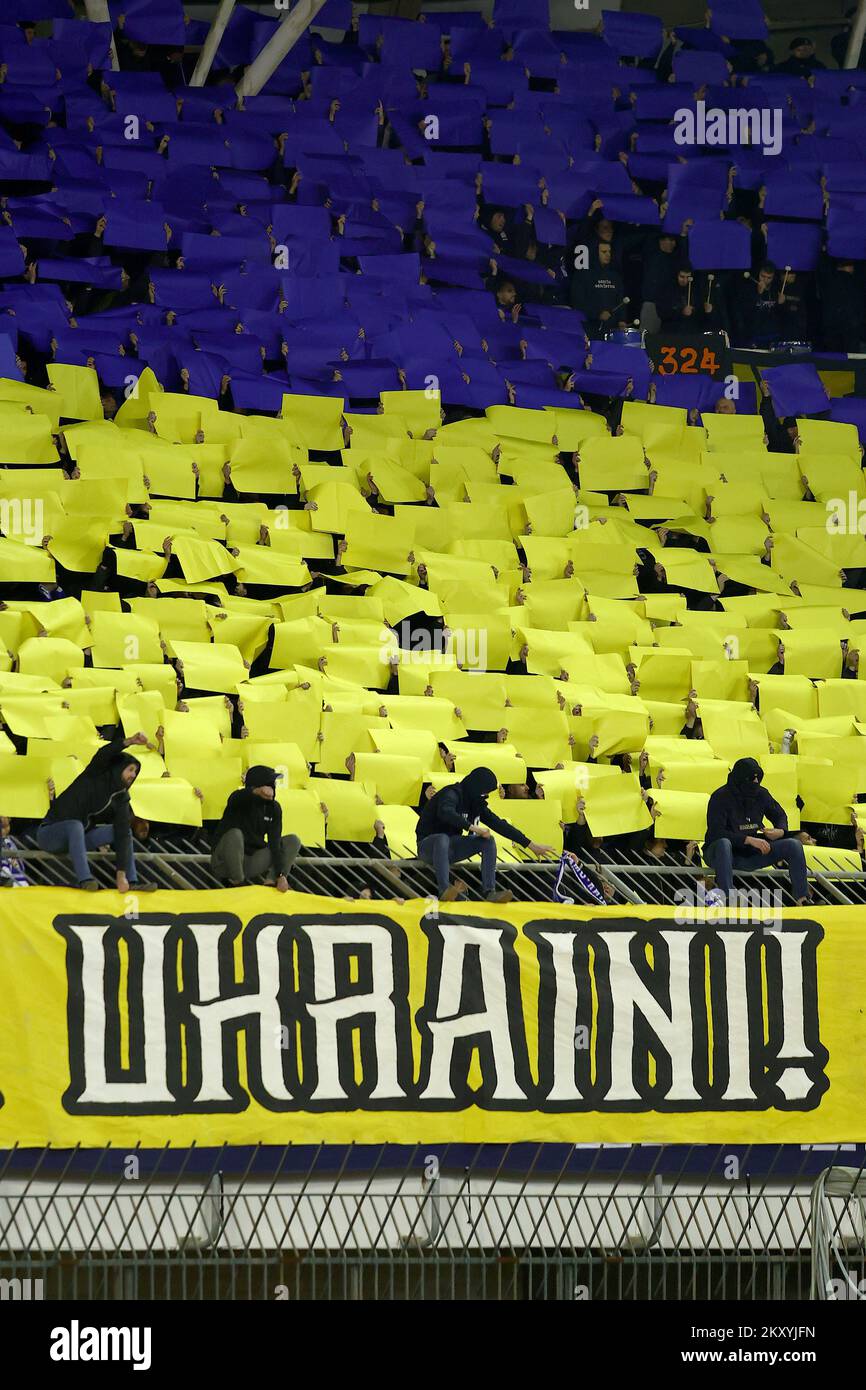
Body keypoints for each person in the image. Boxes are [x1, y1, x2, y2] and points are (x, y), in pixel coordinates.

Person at [36, 730, 156, 892]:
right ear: (118, 768)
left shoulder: (122, 798)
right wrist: (129, 741)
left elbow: (120, 833)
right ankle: (85, 880)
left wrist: (121, 875)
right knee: (75, 826)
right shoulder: (95, 773)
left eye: (136, 772)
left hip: (80, 838)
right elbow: (104, 753)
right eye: (130, 769)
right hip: (50, 834)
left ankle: (132, 882)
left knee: (123, 831)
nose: (133, 775)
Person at [416, 765, 555, 903]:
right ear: (476, 787)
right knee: (442, 838)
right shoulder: (451, 793)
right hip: (427, 847)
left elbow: (499, 824)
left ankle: (490, 892)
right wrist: (473, 828)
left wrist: (531, 845)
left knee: (488, 841)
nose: (486, 795)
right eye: (485, 792)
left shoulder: (475, 803)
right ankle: (444, 890)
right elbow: (446, 812)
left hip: (450, 848)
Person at [703, 758, 810, 905]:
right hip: (720, 854)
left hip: (751, 853)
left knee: (793, 845)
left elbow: (779, 815)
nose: (755, 782)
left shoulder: (761, 794)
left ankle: (802, 898)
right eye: (751, 778)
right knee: (723, 843)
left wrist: (780, 830)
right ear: (740, 778)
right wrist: (747, 839)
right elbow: (716, 832)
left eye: (757, 778)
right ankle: (727, 898)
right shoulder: (720, 797)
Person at [211, 765, 301, 891]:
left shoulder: (274, 808)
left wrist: (280, 874)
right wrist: (257, 792)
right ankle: (237, 883)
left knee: (293, 840)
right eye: (269, 783)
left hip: (251, 860)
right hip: (224, 862)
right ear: (258, 784)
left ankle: (271, 882)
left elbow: (274, 843)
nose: (272, 787)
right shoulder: (239, 800)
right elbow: (236, 797)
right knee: (235, 834)